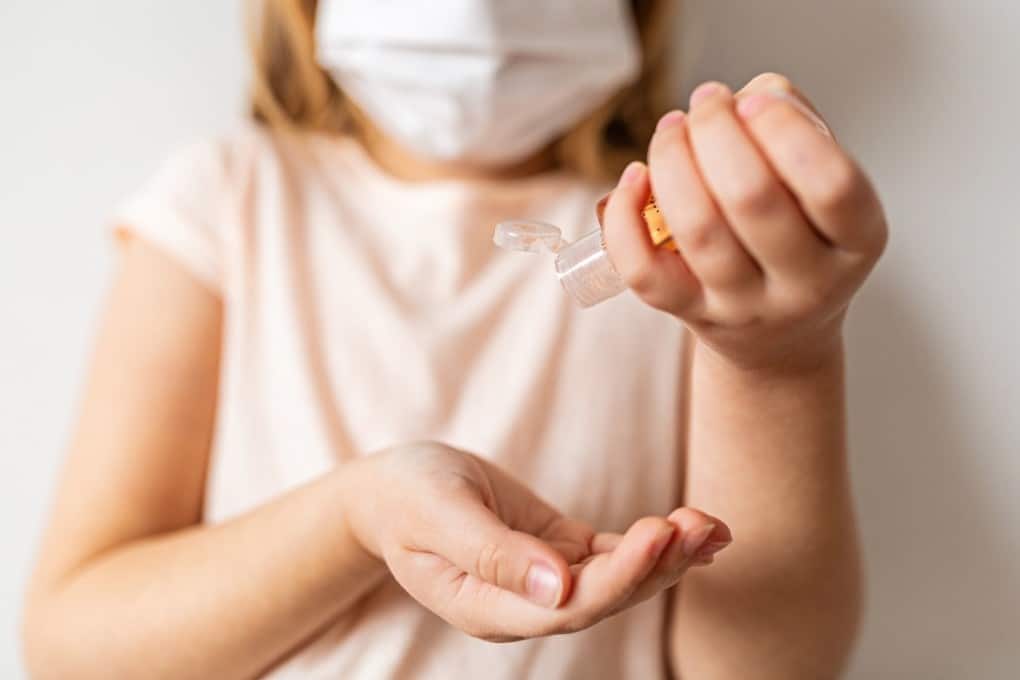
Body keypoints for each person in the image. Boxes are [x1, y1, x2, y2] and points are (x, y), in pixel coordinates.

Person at [21, 0, 886, 678]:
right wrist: (357, 518)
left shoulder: (700, 258)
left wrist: (779, 361)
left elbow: (767, 670)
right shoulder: (228, 205)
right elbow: (73, 646)